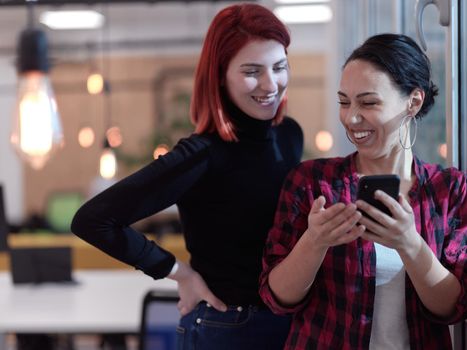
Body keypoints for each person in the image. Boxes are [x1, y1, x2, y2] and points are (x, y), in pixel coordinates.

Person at [71, 3, 303, 350]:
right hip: (228, 325)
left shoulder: (289, 135)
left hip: (289, 322)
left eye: (280, 66)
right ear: (220, 75)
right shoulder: (202, 154)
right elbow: (93, 219)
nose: (271, 84)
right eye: (252, 70)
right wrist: (179, 272)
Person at [259, 33, 466, 350]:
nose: (351, 117)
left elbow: (453, 308)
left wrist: (410, 244)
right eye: (344, 101)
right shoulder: (313, 182)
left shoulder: (447, 190)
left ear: (414, 101)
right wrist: (315, 242)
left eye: (368, 102)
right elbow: (277, 298)